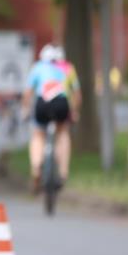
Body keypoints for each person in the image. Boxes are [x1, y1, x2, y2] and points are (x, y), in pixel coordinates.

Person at [21, 43, 80, 193]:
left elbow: (27, 93)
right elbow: (77, 95)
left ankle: (36, 167)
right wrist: (74, 111)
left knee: (38, 134)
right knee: (63, 133)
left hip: (42, 103)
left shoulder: (38, 67)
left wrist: (26, 110)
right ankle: (63, 172)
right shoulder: (68, 67)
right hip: (61, 103)